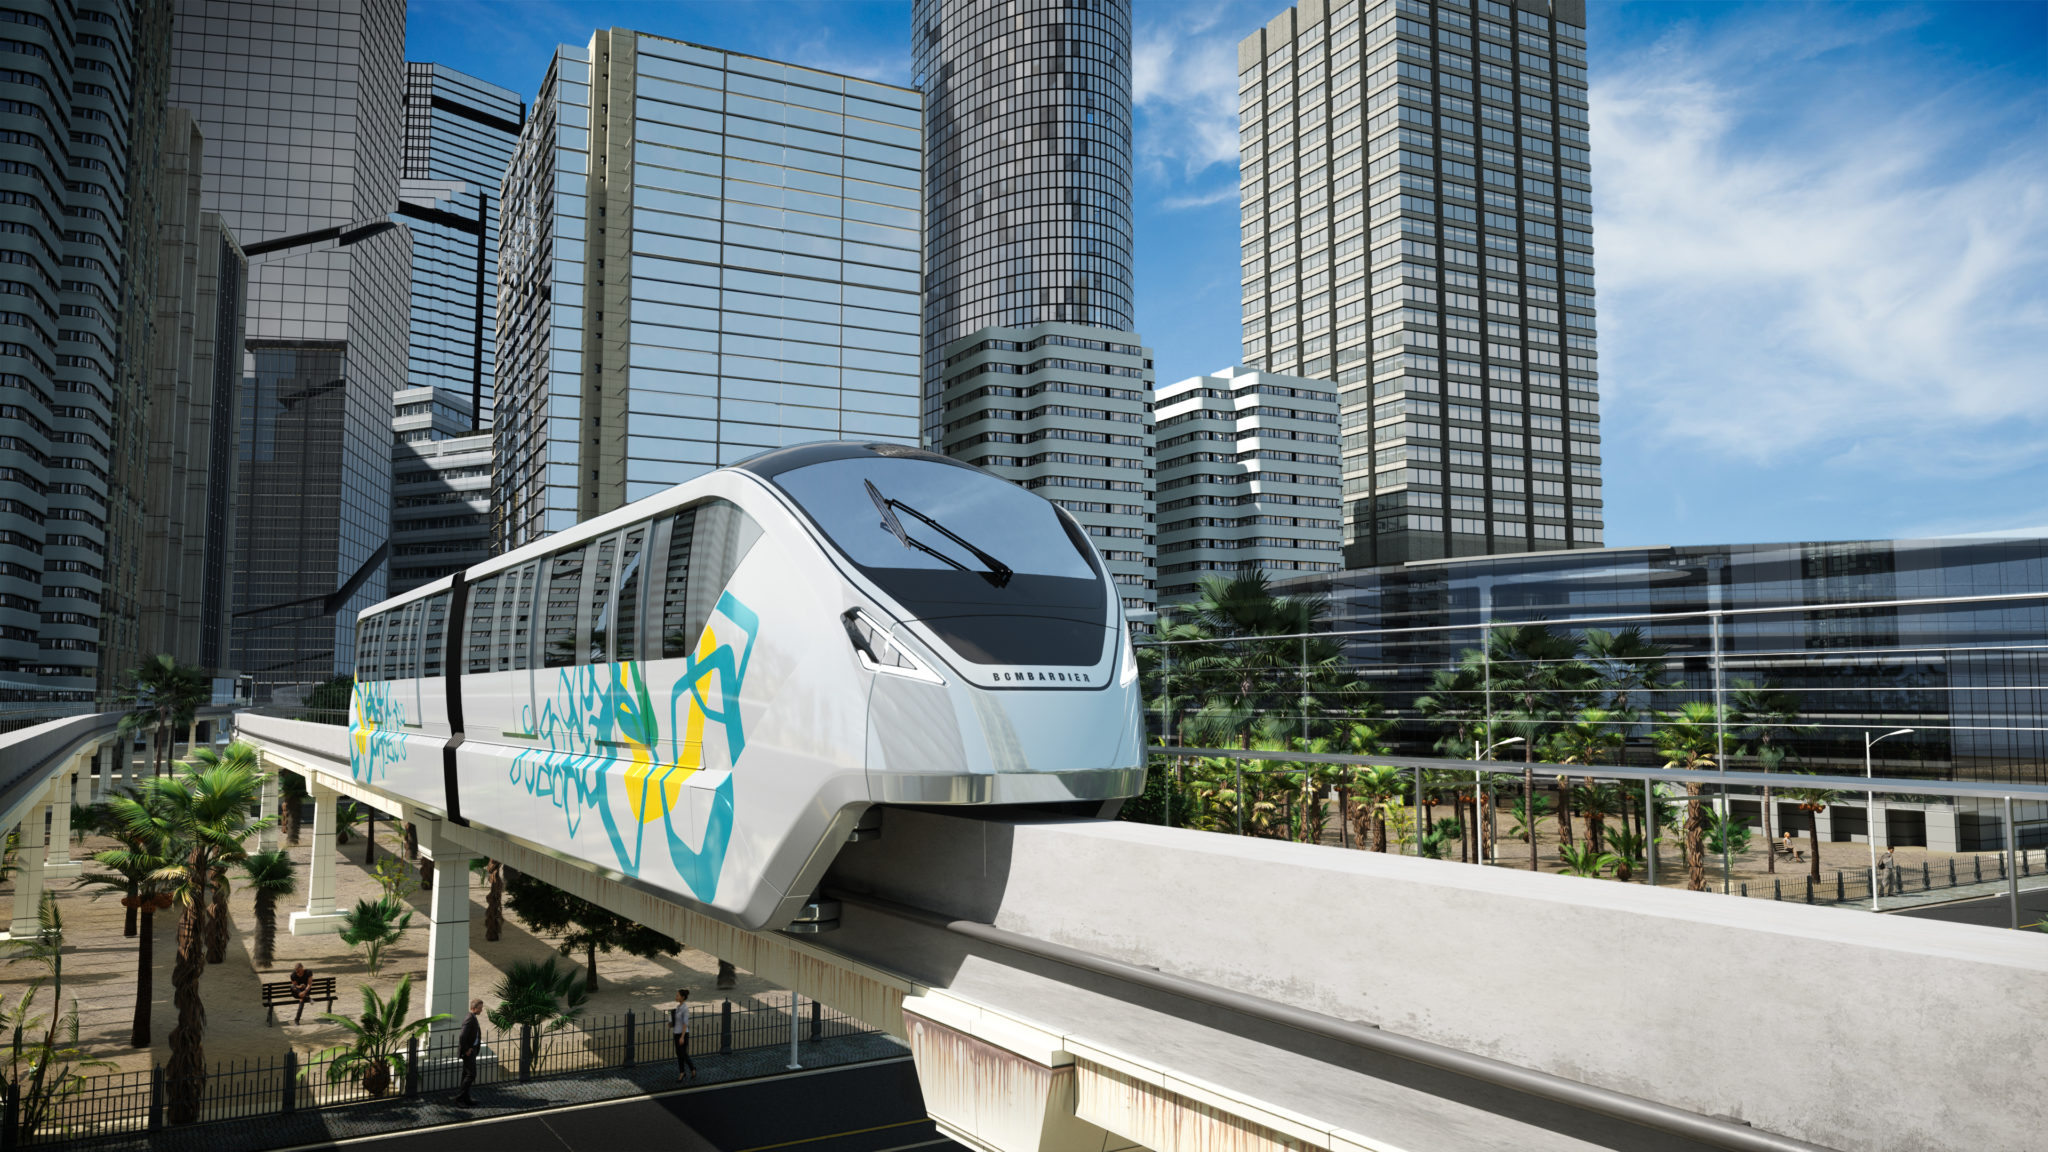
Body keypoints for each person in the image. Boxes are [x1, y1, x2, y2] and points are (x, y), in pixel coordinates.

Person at [456, 998, 483, 1106]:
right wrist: (466, 1049)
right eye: (479, 1008)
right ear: (473, 1008)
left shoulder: (473, 1017)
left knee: (466, 1074)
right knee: (471, 1075)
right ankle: (459, 1099)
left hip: (472, 1049)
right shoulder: (469, 1018)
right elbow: (462, 1036)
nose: (481, 1010)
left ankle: (466, 1098)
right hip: (469, 1052)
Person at [671, 988, 697, 1082]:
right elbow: (677, 1021)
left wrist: (682, 1037)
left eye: (678, 995)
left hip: (683, 1034)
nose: (676, 997)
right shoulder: (678, 1007)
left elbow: (685, 1023)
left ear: (682, 997)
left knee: (683, 1054)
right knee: (679, 1054)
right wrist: (671, 1023)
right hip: (676, 1033)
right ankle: (682, 1072)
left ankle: (692, 1069)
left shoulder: (685, 1009)